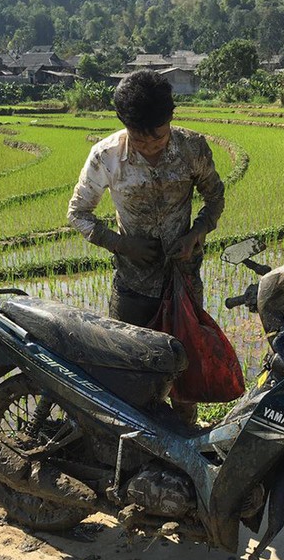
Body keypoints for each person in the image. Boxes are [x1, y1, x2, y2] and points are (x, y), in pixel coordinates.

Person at [67, 69, 225, 424]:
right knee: (125, 374)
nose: (152, 147)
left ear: (170, 119)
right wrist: (123, 246)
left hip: (183, 281)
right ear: (125, 125)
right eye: (142, 141)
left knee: (184, 370)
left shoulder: (191, 148)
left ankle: (184, 441)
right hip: (133, 286)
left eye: (159, 138)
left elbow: (215, 197)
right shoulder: (106, 156)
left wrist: (195, 234)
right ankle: (133, 452)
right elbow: (78, 214)